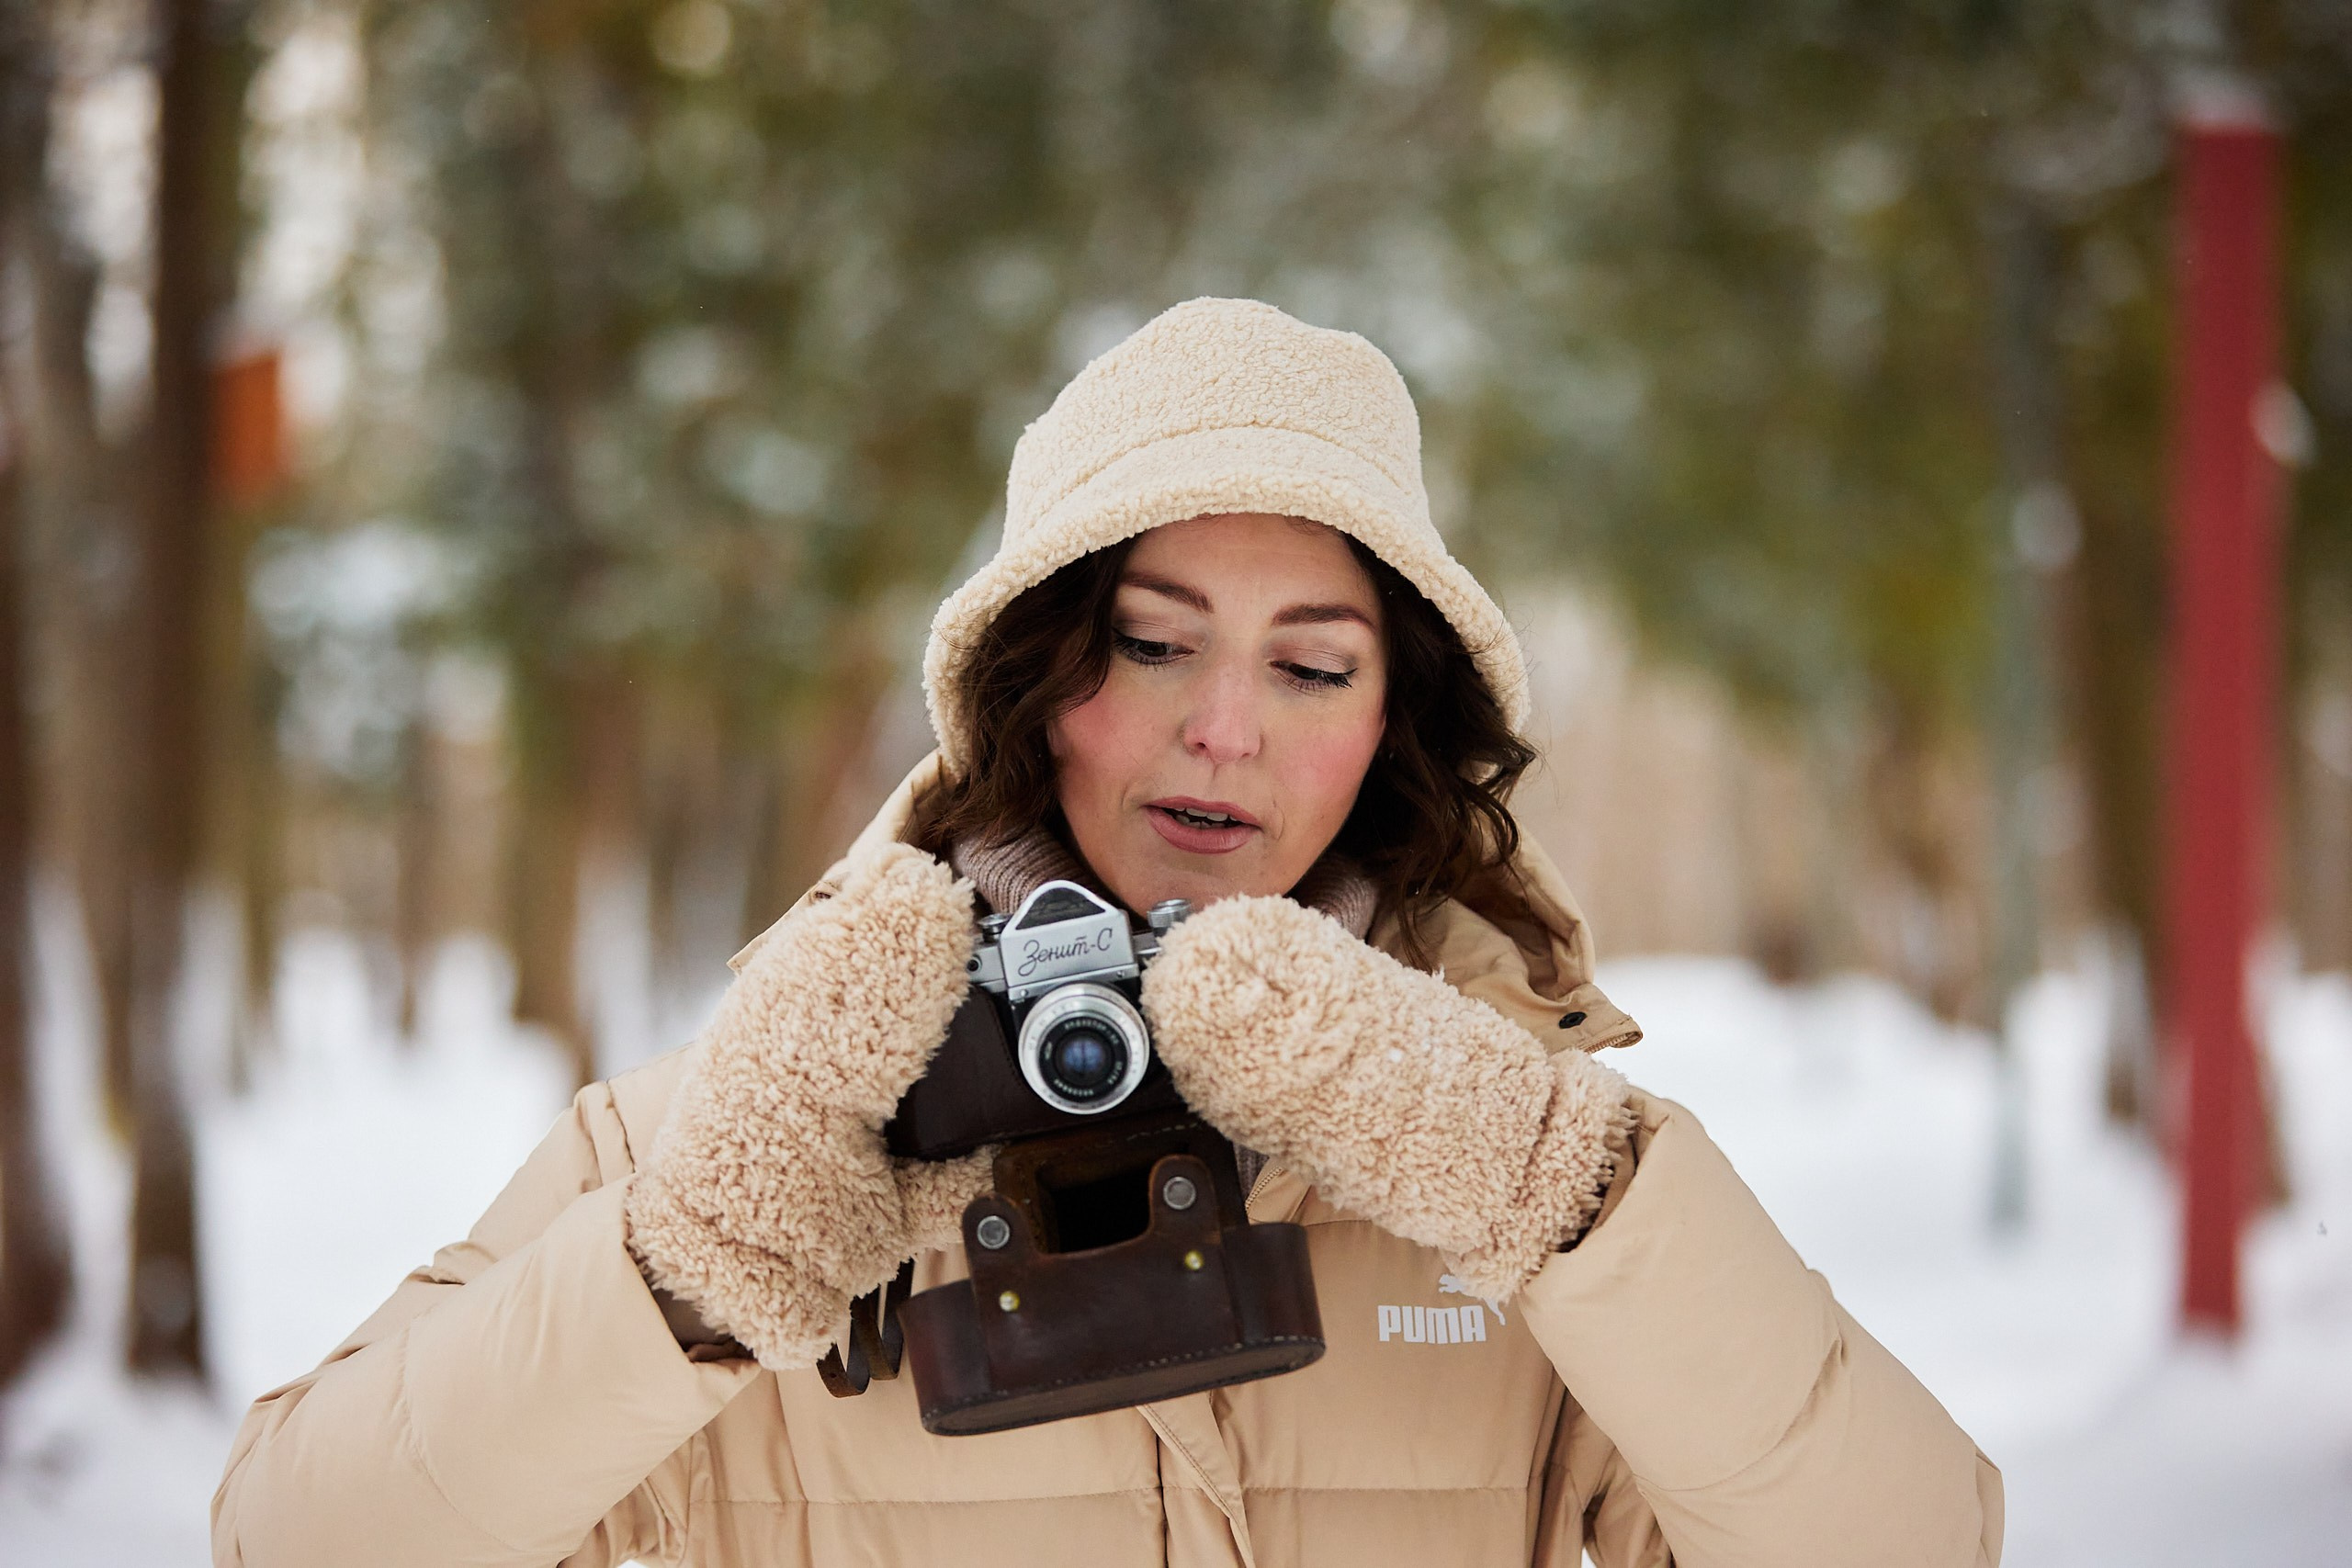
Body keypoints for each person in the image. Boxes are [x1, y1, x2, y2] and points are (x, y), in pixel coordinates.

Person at [211, 298, 2002, 1568]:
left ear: (1392, 721)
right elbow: (293, 1544)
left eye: (1312, 666)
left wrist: (1556, 1189)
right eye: (1153, 643)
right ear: (1036, 678)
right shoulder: (748, 1118)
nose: (1225, 729)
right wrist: (681, 1274)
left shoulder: (1516, 1146)